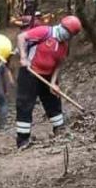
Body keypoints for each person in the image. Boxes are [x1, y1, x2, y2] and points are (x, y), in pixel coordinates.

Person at [15, 15, 82, 150]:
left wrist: (53, 82)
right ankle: (23, 139)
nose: (67, 36)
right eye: (67, 33)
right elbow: (21, 37)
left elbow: (59, 63)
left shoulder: (64, 45)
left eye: (70, 35)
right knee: (25, 104)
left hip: (48, 76)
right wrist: (23, 57)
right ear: (63, 27)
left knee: (53, 101)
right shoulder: (45, 31)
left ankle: (59, 129)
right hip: (30, 73)